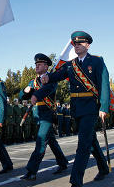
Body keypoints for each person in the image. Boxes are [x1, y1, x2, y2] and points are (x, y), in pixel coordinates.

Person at [42, 31, 110, 187]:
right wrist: (47, 77)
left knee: (83, 144)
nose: (76, 46)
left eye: (79, 43)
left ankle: (75, 181)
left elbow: (104, 85)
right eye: (74, 44)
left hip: (91, 107)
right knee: (90, 140)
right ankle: (103, 168)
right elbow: (57, 75)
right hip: (77, 108)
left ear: (87, 45)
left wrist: (104, 107)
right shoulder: (70, 65)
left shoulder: (97, 61)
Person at [19, 53, 68, 181]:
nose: (36, 66)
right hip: (37, 115)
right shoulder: (32, 82)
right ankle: (62, 162)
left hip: (47, 114)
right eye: (36, 64)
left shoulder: (51, 79)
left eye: (39, 64)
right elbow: (21, 96)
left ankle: (32, 171)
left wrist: (36, 95)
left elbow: (48, 90)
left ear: (46, 66)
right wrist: (25, 91)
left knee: (40, 142)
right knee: (51, 140)